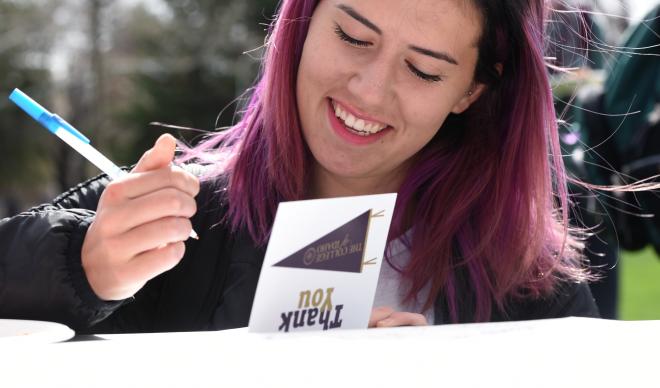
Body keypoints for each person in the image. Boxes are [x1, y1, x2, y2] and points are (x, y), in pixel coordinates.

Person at [0, 0, 600, 334]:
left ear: (471, 91)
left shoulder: (525, 280)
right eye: (352, 36)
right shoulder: (174, 216)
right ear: (303, 22)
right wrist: (80, 269)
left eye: (424, 71)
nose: (369, 89)